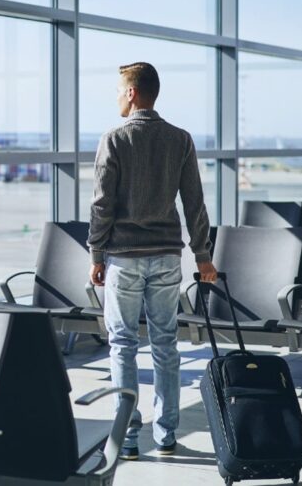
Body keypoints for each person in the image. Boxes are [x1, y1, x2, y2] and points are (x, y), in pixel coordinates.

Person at [88, 62, 217, 461]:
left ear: (131, 93)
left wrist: (95, 253)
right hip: (165, 257)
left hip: (123, 259)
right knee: (165, 345)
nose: (115, 97)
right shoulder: (180, 139)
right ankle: (166, 433)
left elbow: (101, 205)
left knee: (123, 344)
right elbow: (194, 202)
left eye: (117, 90)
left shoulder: (114, 138)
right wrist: (203, 256)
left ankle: (127, 435)